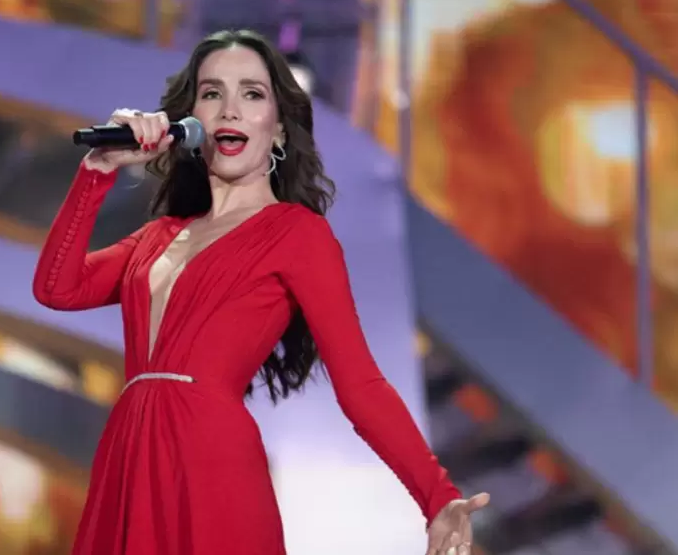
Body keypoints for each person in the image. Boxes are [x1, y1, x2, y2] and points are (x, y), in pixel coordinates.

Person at [33, 29, 490, 555]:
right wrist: (96, 173)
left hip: (212, 463)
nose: (229, 108)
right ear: (191, 124)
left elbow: (361, 384)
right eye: (212, 93)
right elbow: (56, 288)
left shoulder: (296, 234)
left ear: (277, 130)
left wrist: (437, 495)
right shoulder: (157, 237)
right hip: (128, 455)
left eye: (252, 94)